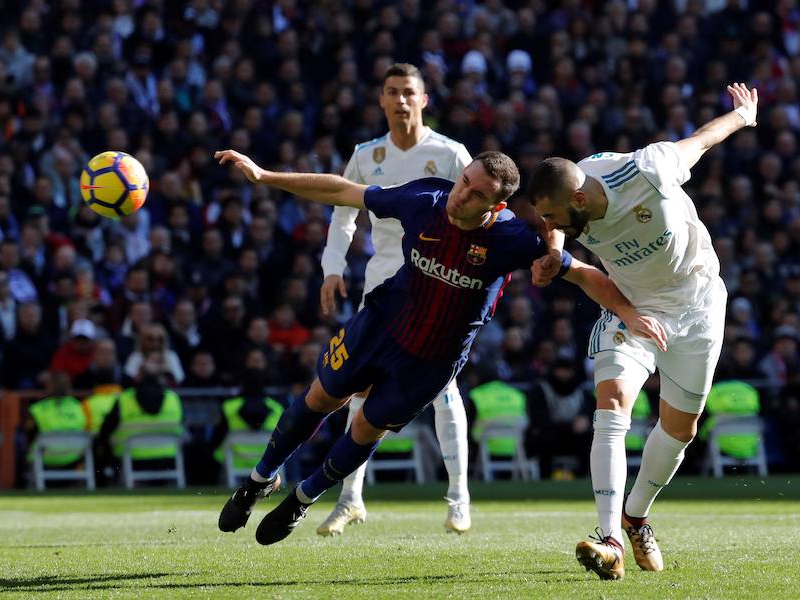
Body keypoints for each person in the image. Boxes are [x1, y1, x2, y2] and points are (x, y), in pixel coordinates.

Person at [212, 146, 666, 546]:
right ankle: (257, 481)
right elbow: (344, 191)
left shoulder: (510, 239)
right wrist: (264, 175)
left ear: (496, 206)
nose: (461, 195)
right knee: (321, 397)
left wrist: (626, 311)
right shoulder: (423, 198)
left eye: (476, 194)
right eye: (464, 181)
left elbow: (581, 269)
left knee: (365, 429)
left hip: (430, 362)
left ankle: (302, 498)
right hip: (380, 325)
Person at [527, 83, 759, 580]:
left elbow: (701, 140)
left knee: (681, 429)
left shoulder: (648, 170)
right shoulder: (569, 198)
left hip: (697, 305)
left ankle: (636, 517)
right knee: (612, 402)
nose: (548, 223)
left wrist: (743, 115)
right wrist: (555, 253)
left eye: (553, 216)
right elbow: (566, 242)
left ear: (579, 197)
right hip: (629, 305)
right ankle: (609, 539)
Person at [317, 62, 476, 535]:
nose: (401, 100)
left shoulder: (450, 153)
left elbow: (485, 208)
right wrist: (332, 267)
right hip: (383, 282)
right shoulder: (367, 155)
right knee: (360, 388)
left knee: (443, 388)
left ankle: (459, 498)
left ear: (423, 100)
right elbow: (342, 213)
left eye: (409, 92)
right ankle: (350, 499)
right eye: (393, 91)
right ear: (382, 100)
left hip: (439, 283)